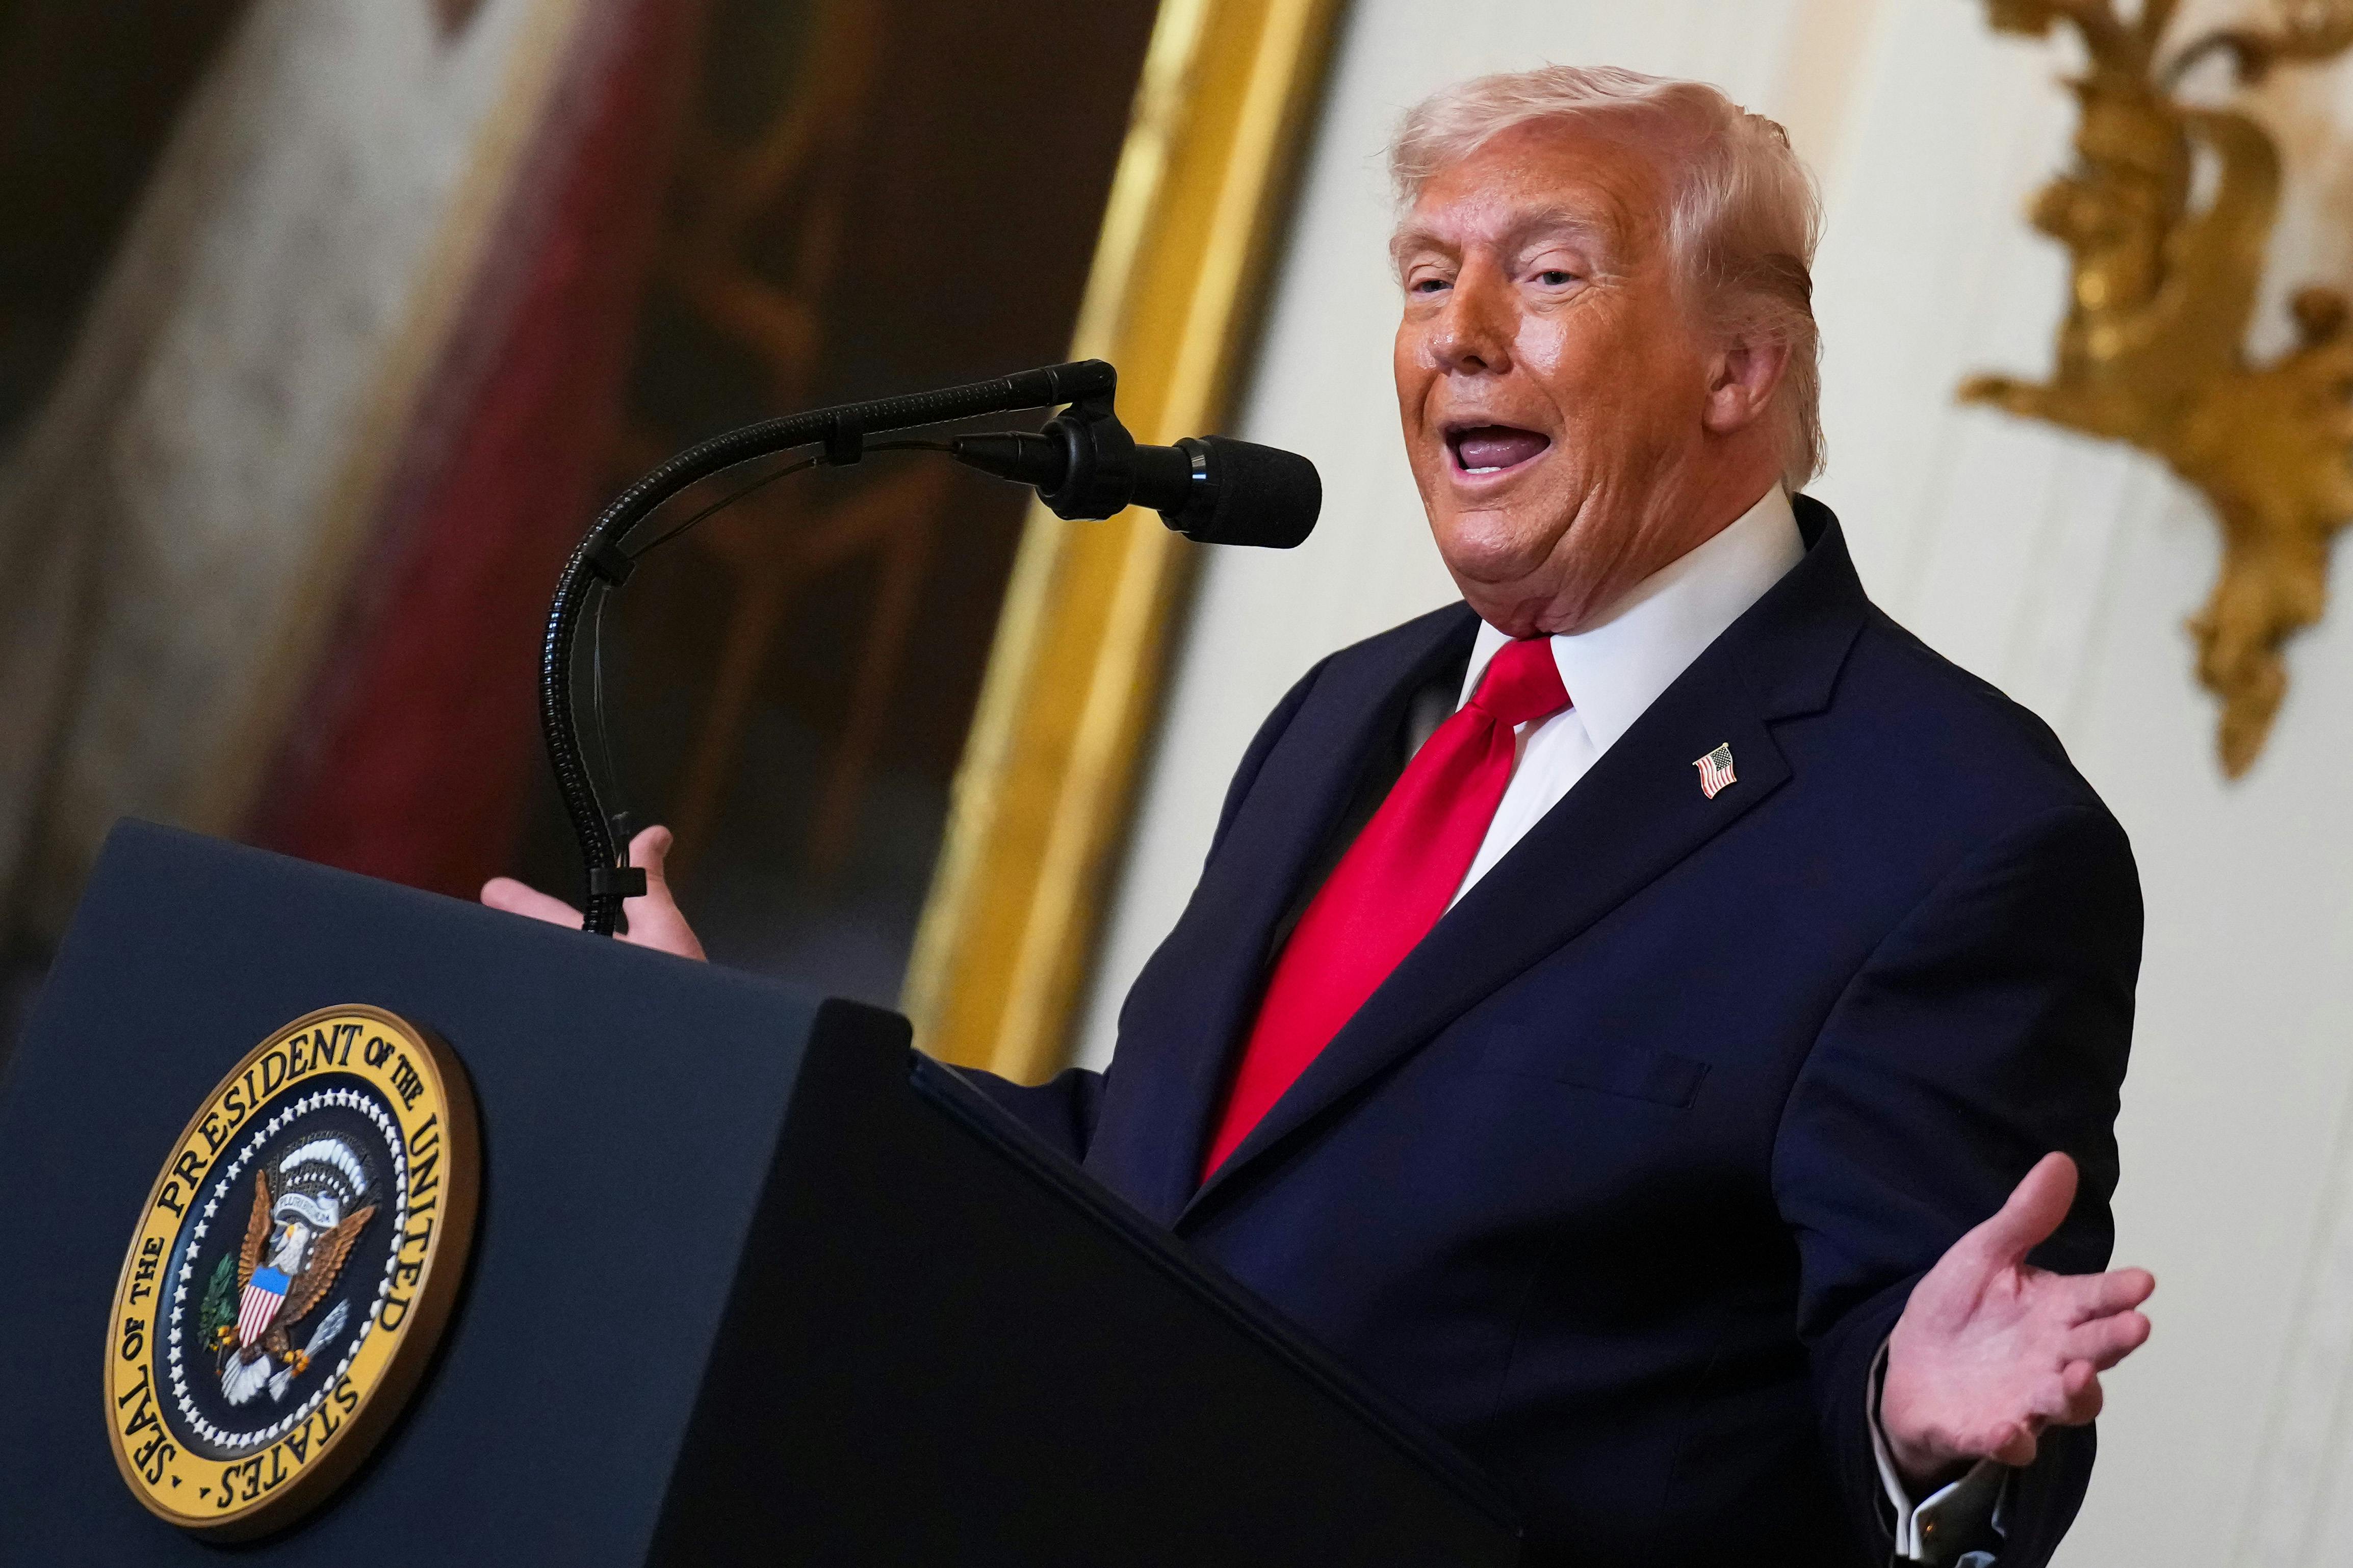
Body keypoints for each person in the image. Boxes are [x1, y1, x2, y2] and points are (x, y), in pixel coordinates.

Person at [486, 66, 2154, 1567]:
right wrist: (754, 1067)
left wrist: (1913, 1432)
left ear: (1742, 367)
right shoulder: (1358, 708)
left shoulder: (1955, 834)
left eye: (1548, 273)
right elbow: (1157, 1178)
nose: (1458, 333)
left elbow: (1936, 1360)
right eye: (1428, 279)